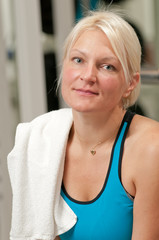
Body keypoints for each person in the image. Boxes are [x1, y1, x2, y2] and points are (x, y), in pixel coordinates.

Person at [8, 10, 159, 240]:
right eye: (78, 60)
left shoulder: (150, 148)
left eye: (107, 66)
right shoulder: (43, 142)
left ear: (130, 83)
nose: (88, 75)